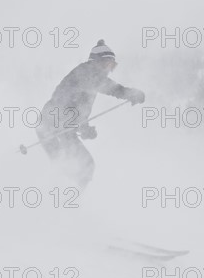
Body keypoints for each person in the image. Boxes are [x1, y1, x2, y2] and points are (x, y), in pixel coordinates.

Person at [36, 39, 145, 189]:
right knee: (69, 165)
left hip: (62, 127)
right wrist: (130, 94)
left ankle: (71, 202)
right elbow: (65, 103)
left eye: (112, 66)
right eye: (107, 64)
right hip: (49, 126)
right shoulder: (86, 73)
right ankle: (58, 198)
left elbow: (77, 108)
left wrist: (83, 127)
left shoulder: (90, 78)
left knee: (84, 166)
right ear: (96, 62)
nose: (109, 70)